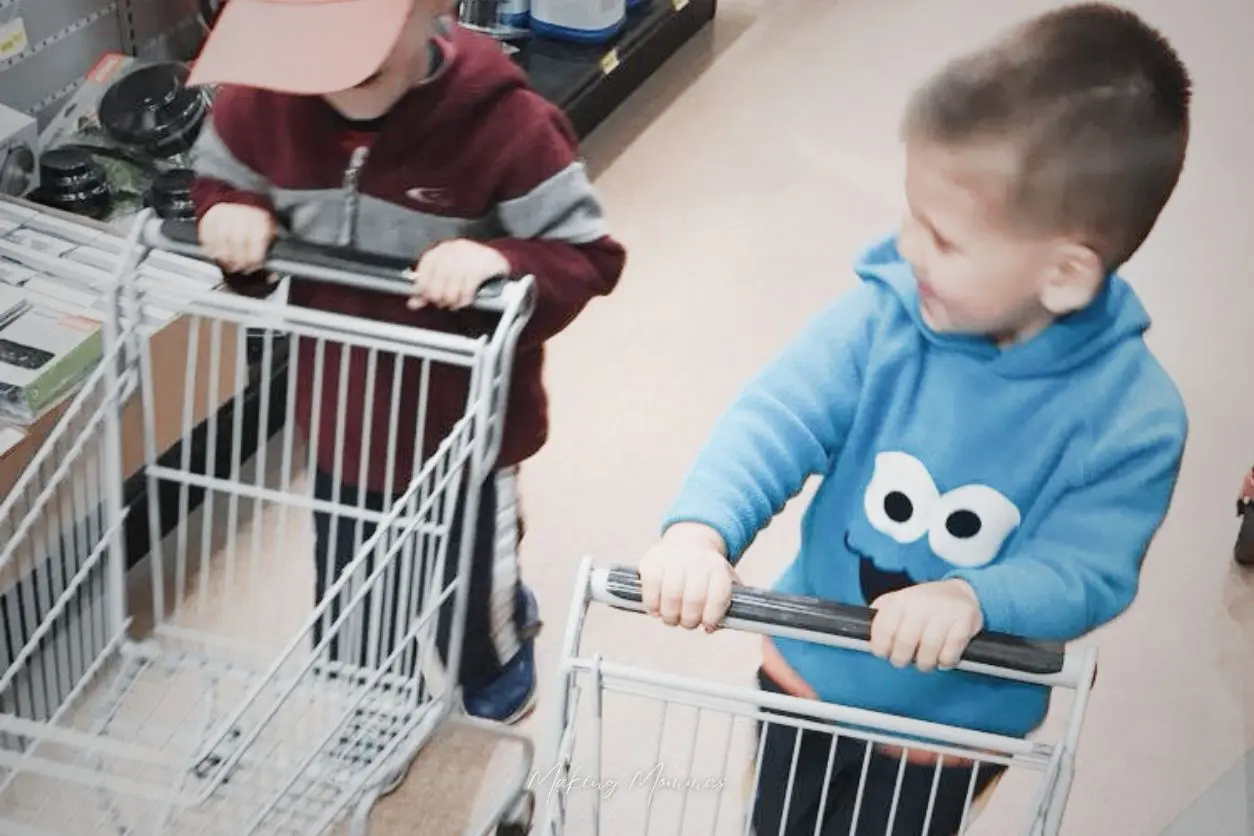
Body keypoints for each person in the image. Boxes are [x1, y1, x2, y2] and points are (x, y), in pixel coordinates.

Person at [637, 4, 1189, 834]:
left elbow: (1089, 568)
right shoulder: (882, 319)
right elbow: (777, 417)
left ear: (1067, 272)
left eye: (944, 238)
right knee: (779, 821)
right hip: (808, 667)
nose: (907, 248)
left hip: (952, 725)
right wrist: (700, 531)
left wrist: (976, 597)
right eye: (910, 214)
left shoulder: (1131, 419)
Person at [185, 0, 626, 749]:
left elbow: (587, 256)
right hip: (341, 410)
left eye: (359, 56)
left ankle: (493, 660)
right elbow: (220, 181)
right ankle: (374, 698)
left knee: (470, 584)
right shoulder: (259, 105)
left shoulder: (506, 123)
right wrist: (229, 217)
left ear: (433, 12)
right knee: (353, 589)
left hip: (468, 428)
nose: (333, 86)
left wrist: (500, 261)